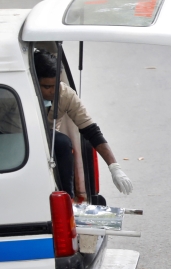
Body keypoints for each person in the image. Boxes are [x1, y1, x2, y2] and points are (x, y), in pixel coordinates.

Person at [33, 50, 132, 200]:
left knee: (61, 143)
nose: (53, 91)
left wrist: (114, 167)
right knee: (60, 141)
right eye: (47, 87)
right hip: (21, 143)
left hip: (51, 148)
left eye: (55, 85)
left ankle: (67, 199)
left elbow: (91, 130)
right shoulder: (18, 95)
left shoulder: (65, 94)